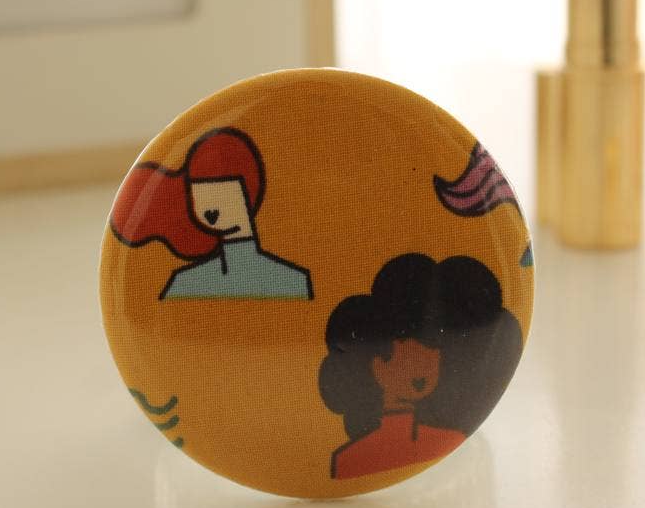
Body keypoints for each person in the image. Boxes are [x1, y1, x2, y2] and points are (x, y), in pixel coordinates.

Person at [319, 253, 522, 479]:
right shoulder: (348, 460)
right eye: (407, 358)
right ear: (375, 363)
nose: (424, 369)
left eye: (433, 353)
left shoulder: (448, 436)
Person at [110, 128, 312, 300]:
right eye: (203, 199)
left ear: (250, 192)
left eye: (225, 194)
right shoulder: (184, 283)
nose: (212, 211)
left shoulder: (294, 281)